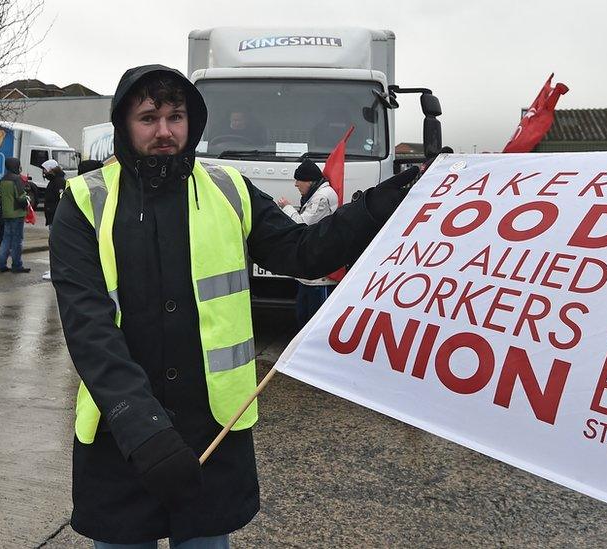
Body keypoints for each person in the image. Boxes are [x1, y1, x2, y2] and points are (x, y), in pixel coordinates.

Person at [49, 64, 416, 547]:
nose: (165, 130)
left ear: (192, 122)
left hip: (212, 434)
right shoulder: (83, 203)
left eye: (176, 116)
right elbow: (89, 329)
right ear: (123, 124)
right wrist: (144, 431)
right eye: (148, 117)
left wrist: (376, 208)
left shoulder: (230, 188)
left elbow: (302, 251)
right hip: (123, 438)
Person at [276, 158, 340, 326]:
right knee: (303, 318)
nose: (296, 185)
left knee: (316, 321)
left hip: (320, 276)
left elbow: (303, 226)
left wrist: (287, 207)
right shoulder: (314, 195)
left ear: (310, 181)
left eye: (299, 180)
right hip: (308, 273)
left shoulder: (322, 197)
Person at [0, 157, 30, 273]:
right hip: (17, 213)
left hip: (6, 213)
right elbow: (20, 198)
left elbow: (1, 196)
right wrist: (27, 200)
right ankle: (17, 265)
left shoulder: (3, 179)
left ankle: (0, 264)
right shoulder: (17, 179)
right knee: (17, 240)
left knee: (6, 240)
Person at [41, 159, 67, 281]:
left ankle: (56, 270)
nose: (44, 172)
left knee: (56, 246)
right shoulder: (55, 181)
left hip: (55, 218)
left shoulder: (59, 182)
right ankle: (54, 269)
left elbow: (60, 200)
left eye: (45, 170)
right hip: (52, 218)